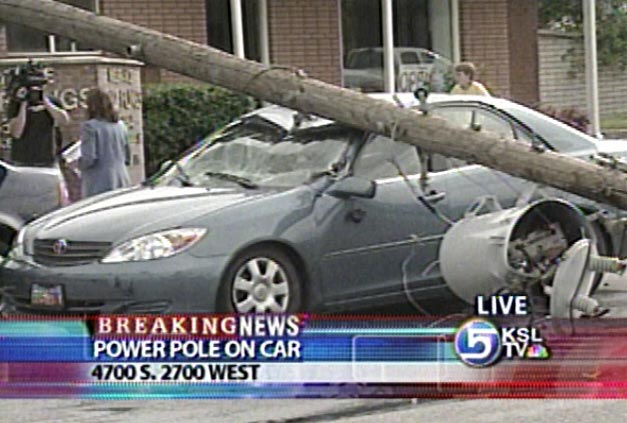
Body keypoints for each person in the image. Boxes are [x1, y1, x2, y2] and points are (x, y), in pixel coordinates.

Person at [78, 88, 131, 198]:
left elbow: (89, 159)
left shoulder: (90, 127)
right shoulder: (121, 126)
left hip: (99, 182)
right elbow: (127, 157)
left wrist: (77, 164)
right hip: (122, 178)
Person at [8, 86, 70, 166]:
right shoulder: (17, 103)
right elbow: (16, 133)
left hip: (47, 159)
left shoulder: (52, 101)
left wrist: (46, 102)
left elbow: (64, 121)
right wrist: (23, 104)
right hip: (22, 160)